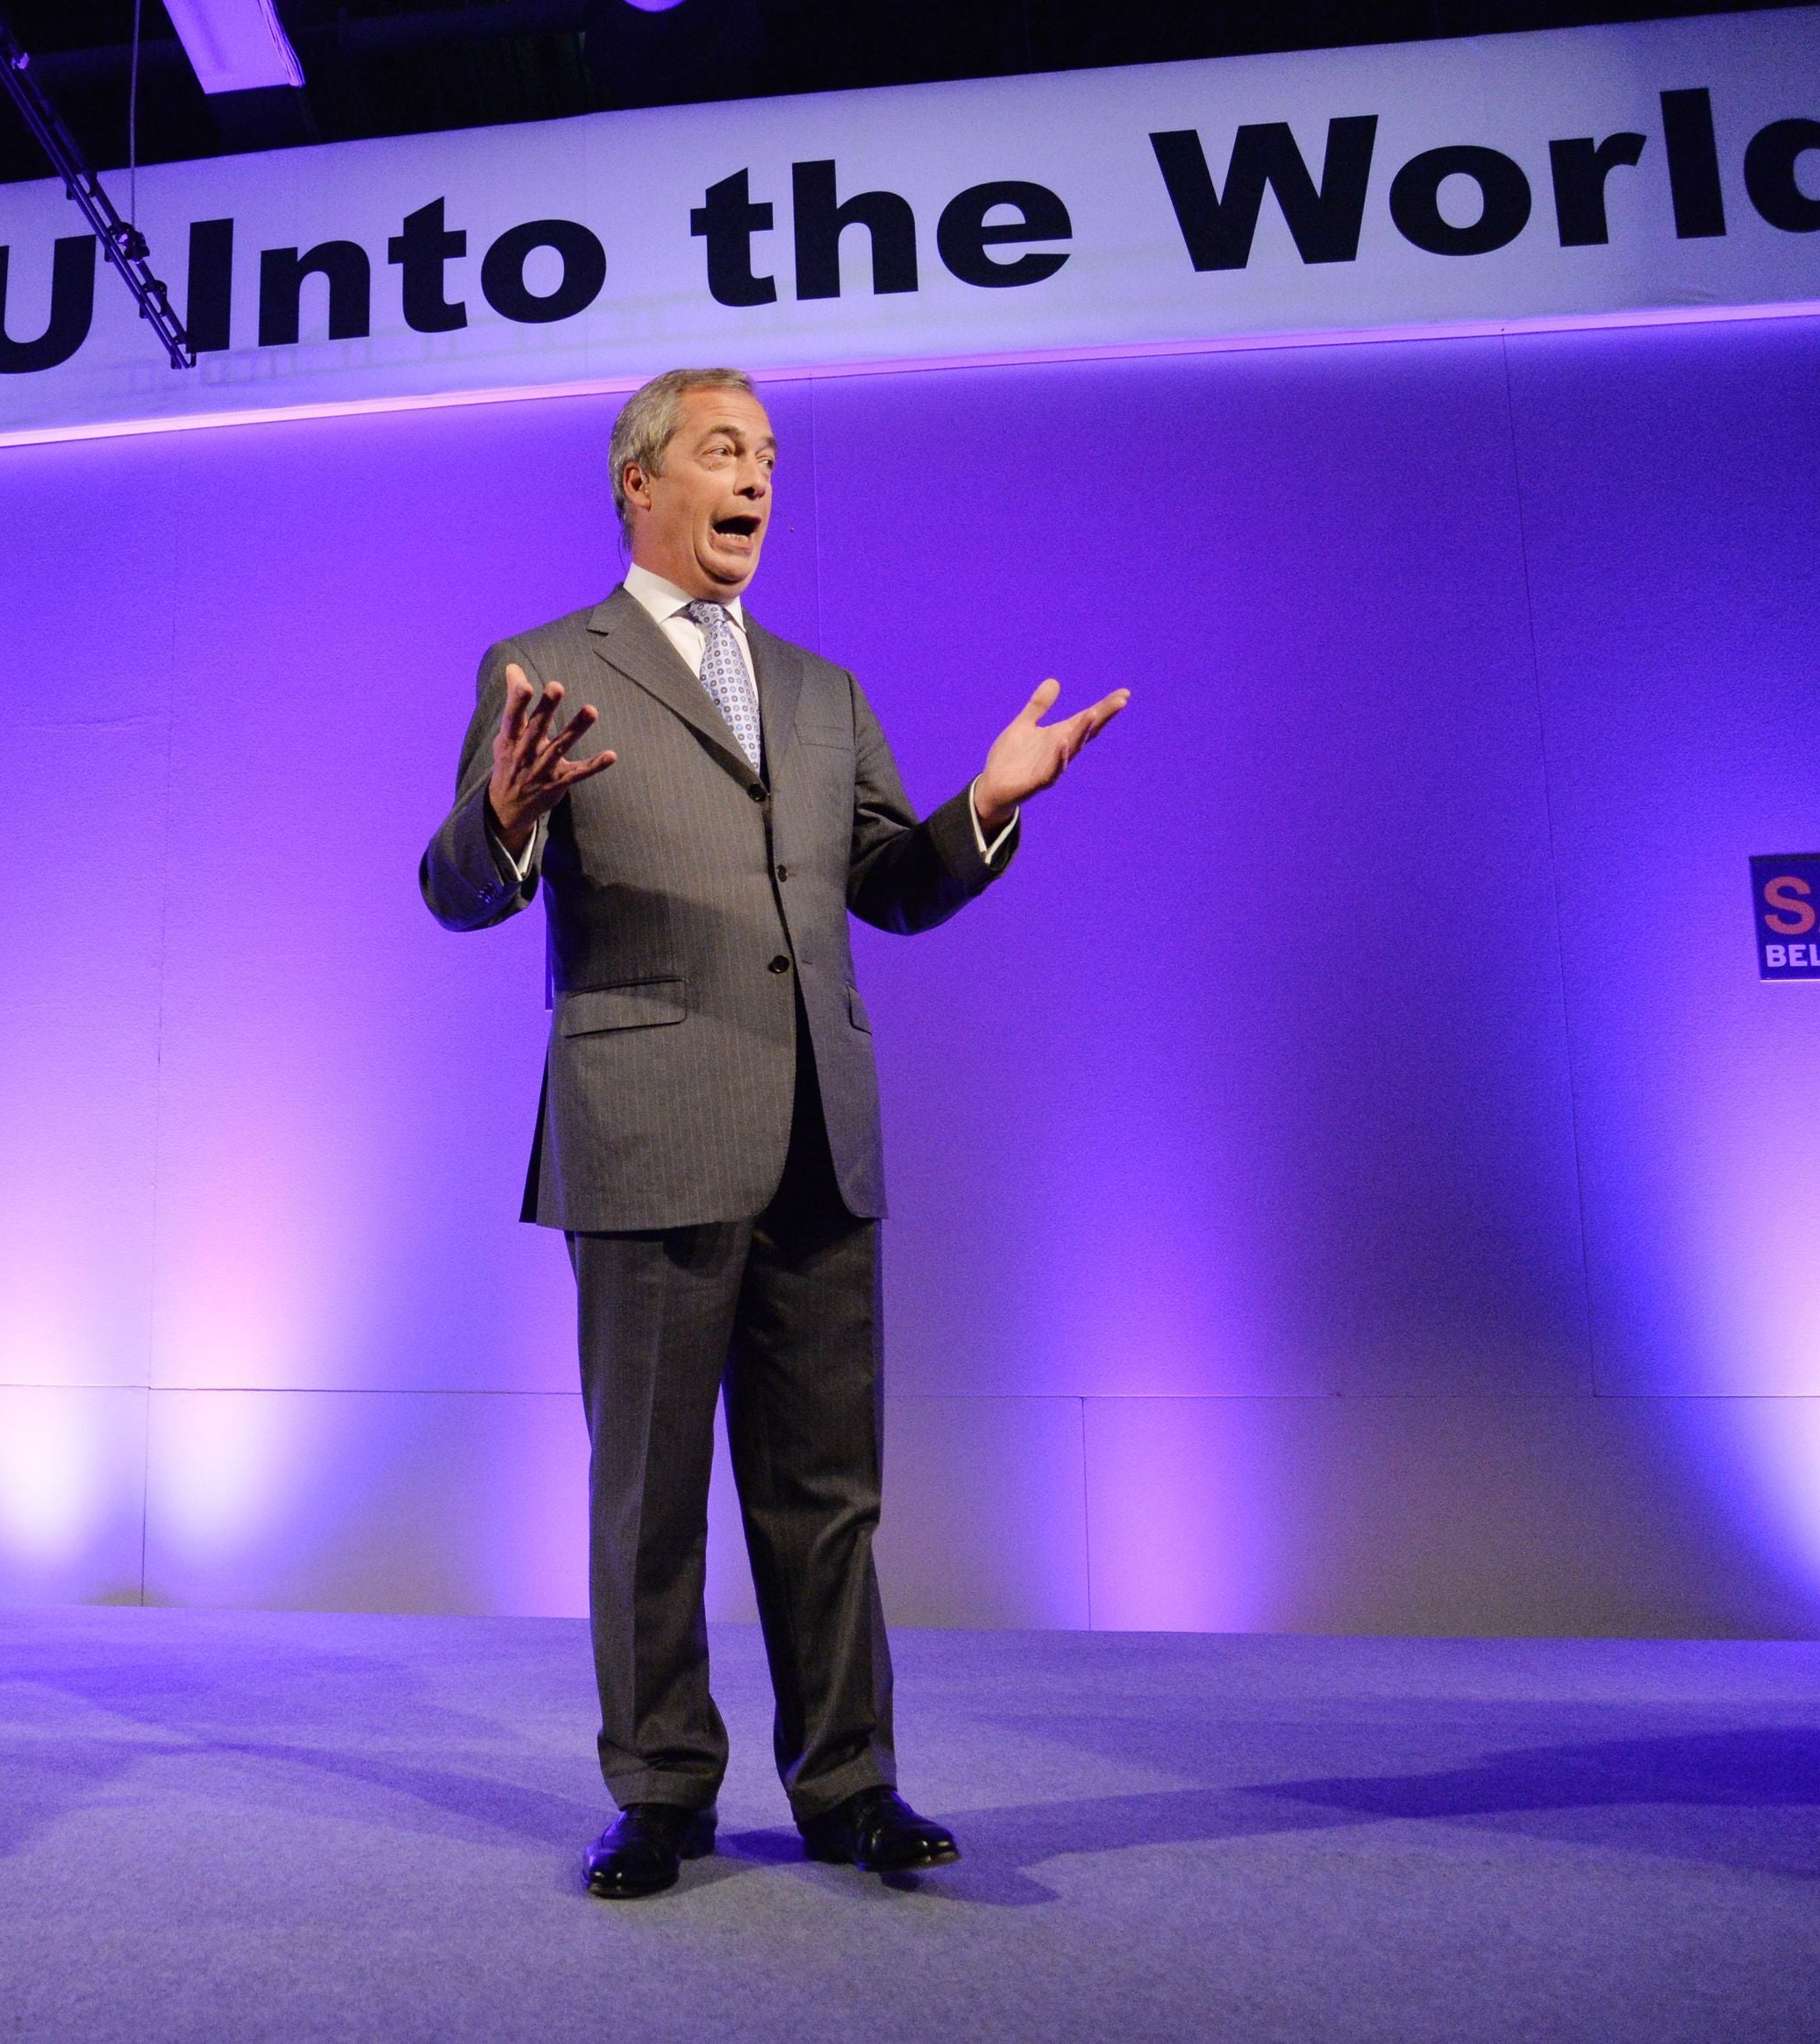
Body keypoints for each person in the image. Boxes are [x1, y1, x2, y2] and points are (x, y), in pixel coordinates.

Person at [419, 368, 1125, 1899]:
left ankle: (852, 1785)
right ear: (640, 482)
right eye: (725, 450)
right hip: (648, 1128)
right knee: (649, 1492)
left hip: (820, 1134)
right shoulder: (542, 665)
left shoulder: (822, 691)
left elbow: (895, 888)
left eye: (771, 457)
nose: (758, 478)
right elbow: (459, 886)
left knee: (828, 1498)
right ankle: (662, 1790)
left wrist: (988, 808)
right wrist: (509, 818)